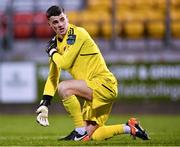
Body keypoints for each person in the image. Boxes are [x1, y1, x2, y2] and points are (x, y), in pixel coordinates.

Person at [36, 5, 150, 141]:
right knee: (94, 135)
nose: (60, 24)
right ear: (49, 24)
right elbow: (53, 77)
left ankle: (79, 130)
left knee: (64, 88)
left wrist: (52, 52)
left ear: (67, 17)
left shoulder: (77, 34)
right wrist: (45, 103)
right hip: (94, 88)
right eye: (55, 22)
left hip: (103, 84)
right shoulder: (55, 45)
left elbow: (64, 63)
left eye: (62, 19)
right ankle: (130, 127)